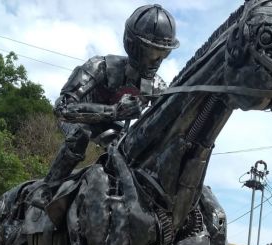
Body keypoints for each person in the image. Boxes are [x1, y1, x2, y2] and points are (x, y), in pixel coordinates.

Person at [32, 4, 179, 212]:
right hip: (78, 121)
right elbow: (63, 107)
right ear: (134, 46)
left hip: (112, 129)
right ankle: (47, 188)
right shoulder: (99, 67)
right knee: (80, 134)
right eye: (152, 52)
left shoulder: (156, 86)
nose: (158, 60)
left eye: (163, 54)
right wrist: (114, 112)